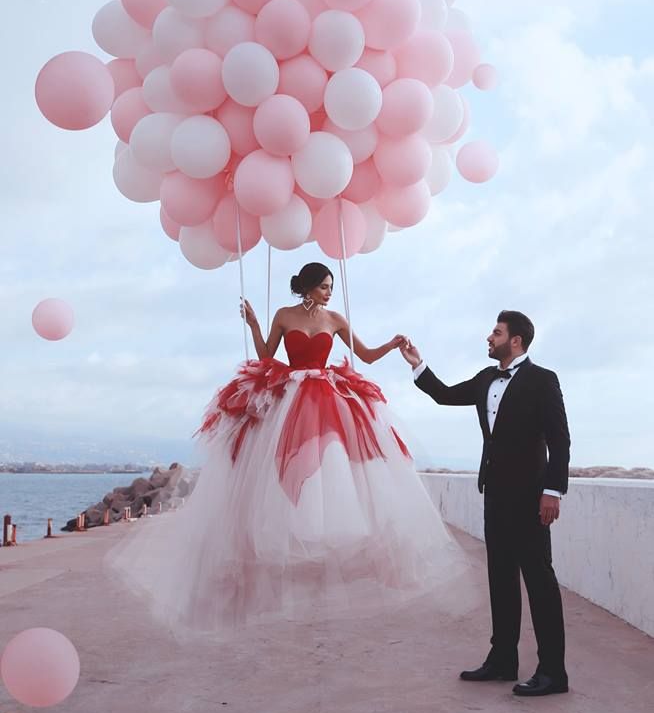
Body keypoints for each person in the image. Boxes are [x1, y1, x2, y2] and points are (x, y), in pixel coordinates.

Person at [107, 263, 462, 638]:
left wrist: (393, 345)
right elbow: (264, 356)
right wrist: (254, 324)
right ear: (307, 287)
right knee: (272, 463)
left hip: (325, 395)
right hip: (290, 396)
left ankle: (330, 532)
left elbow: (367, 356)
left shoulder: (336, 319)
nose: (329, 293)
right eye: (324, 287)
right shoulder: (284, 315)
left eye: (331, 287)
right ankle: (275, 536)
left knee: (335, 460)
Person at [400, 310, 571, 697]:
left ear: (516, 340)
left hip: (531, 497)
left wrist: (553, 491)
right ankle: (502, 660)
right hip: (494, 494)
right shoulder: (484, 379)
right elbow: (445, 395)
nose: (488, 337)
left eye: (496, 332)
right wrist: (418, 364)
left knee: (540, 582)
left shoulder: (543, 381)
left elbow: (560, 440)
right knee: (500, 579)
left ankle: (553, 672)